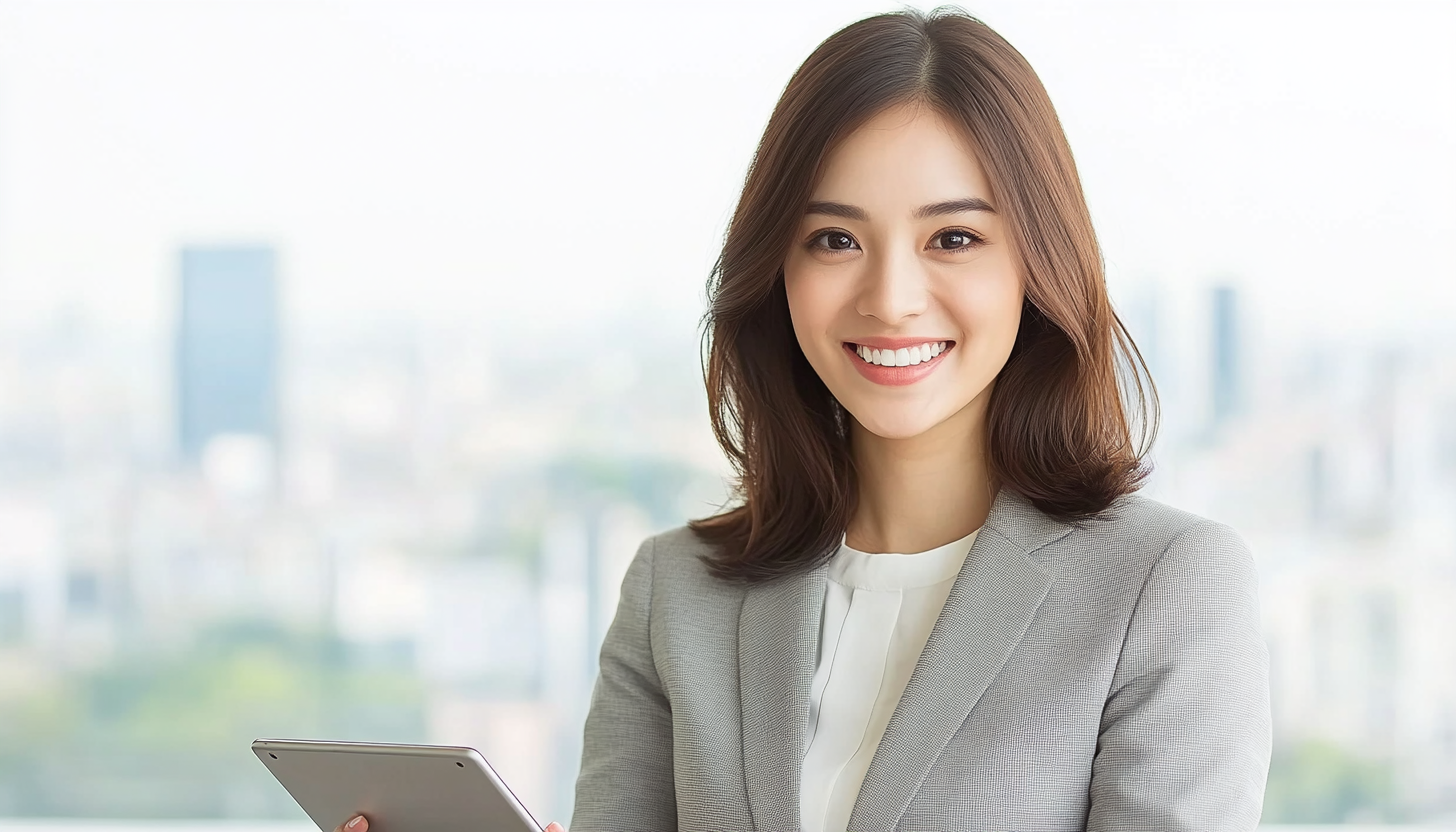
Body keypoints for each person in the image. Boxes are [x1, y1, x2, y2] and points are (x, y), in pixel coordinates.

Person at [338, 6, 1270, 832]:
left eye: (954, 238)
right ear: (776, 271)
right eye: (834, 240)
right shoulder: (677, 594)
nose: (892, 297)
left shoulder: (1166, 589)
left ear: (1037, 265)